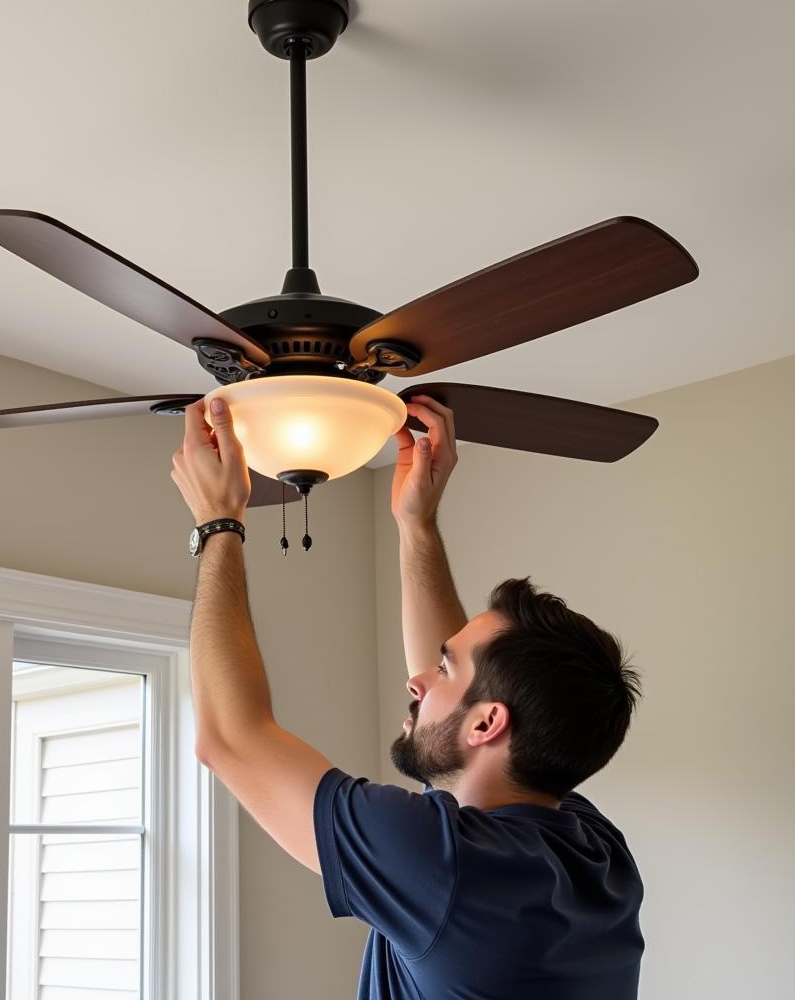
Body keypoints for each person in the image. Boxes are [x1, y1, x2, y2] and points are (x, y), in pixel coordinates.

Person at [171, 393, 644, 1000]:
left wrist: (218, 521)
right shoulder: (591, 851)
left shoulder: (446, 865)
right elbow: (458, 710)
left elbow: (231, 740)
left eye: (443, 671)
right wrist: (415, 523)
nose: (417, 681)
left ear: (487, 725)